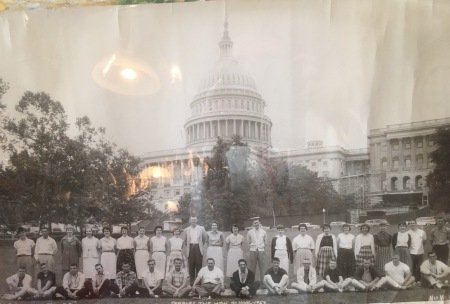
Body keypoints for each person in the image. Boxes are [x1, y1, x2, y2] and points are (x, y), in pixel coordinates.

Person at [183, 216, 207, 285]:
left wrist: (199, 245)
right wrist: (189, 246)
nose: (193, 221)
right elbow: (185, 241)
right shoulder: (186, 230)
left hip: (198, 247)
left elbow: (204, 239)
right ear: (190, 221)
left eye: (194, 220)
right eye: (192, 220)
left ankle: (198, 284)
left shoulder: (201, 228)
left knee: (199, 265)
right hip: (190, 248)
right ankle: (192, 284)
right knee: (191, 266)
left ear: (197, 221)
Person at [247, 217, 267, 282]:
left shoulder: (263, 232)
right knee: (252, 267)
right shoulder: (250, 232)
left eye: (257, 223)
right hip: (253, 250)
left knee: (262, 267)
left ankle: (263, 283)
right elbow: (248, 242)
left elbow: (265, 242)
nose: (256, 224)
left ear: (259, 223)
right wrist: (252, 247)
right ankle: (251, 282)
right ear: (253, 224)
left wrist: (262, 247)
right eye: (255, 223)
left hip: (261, 250)